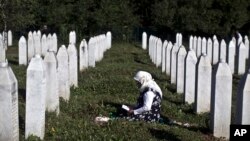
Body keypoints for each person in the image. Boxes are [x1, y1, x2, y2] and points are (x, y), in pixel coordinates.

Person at [95, 71, 163, 123]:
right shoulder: (151, 86)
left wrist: (134, 111)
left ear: (143, 80)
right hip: (149, 113)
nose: (137, 84)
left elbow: (147, 107)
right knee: (123, 109)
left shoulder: (149, 92)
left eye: (138, 82)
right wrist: (134, 108)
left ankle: (108, 120)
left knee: (129, 118)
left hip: (150, 116)